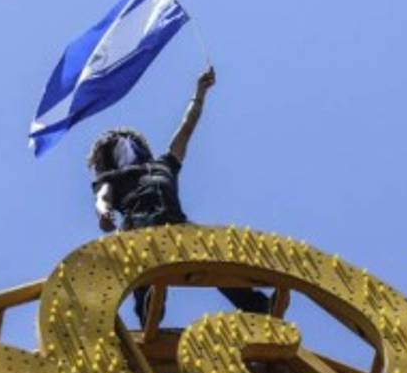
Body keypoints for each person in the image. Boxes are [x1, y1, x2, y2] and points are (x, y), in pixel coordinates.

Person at [87, 67, 271, 326]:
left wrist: (200, 92)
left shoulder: (164, 164)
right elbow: (103, 196)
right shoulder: (113, 178)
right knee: (142, 267)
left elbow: (186, 128)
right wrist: (103, 212)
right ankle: (149, 311)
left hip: (177, 226)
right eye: (118, 145)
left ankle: (258, 305)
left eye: (129, 142)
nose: (126, 146)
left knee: (214, 254)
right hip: (139, 230)